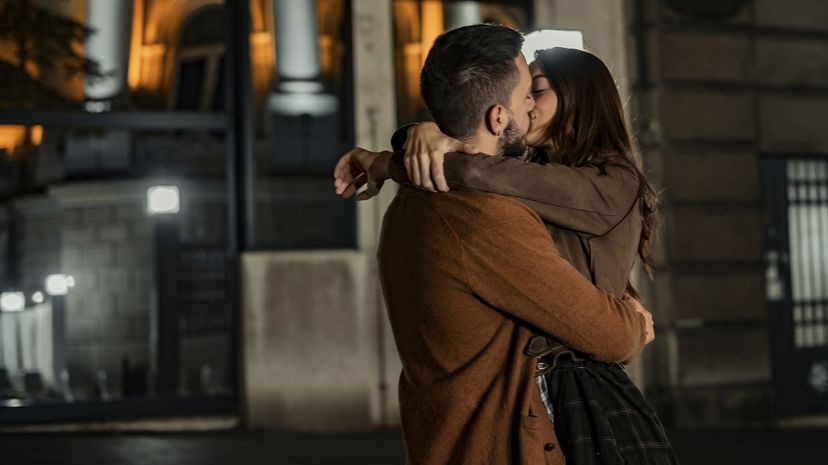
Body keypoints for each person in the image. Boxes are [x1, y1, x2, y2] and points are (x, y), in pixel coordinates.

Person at [335, 46, 677, 465]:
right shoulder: (522, 183)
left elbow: (476, 170)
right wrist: (417, 141)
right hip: (547, 379)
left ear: (580, 98)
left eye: (539, 89)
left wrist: (393, 160)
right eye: (525, 91)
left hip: (582, 385)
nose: (528, 102)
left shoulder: (609, 182)